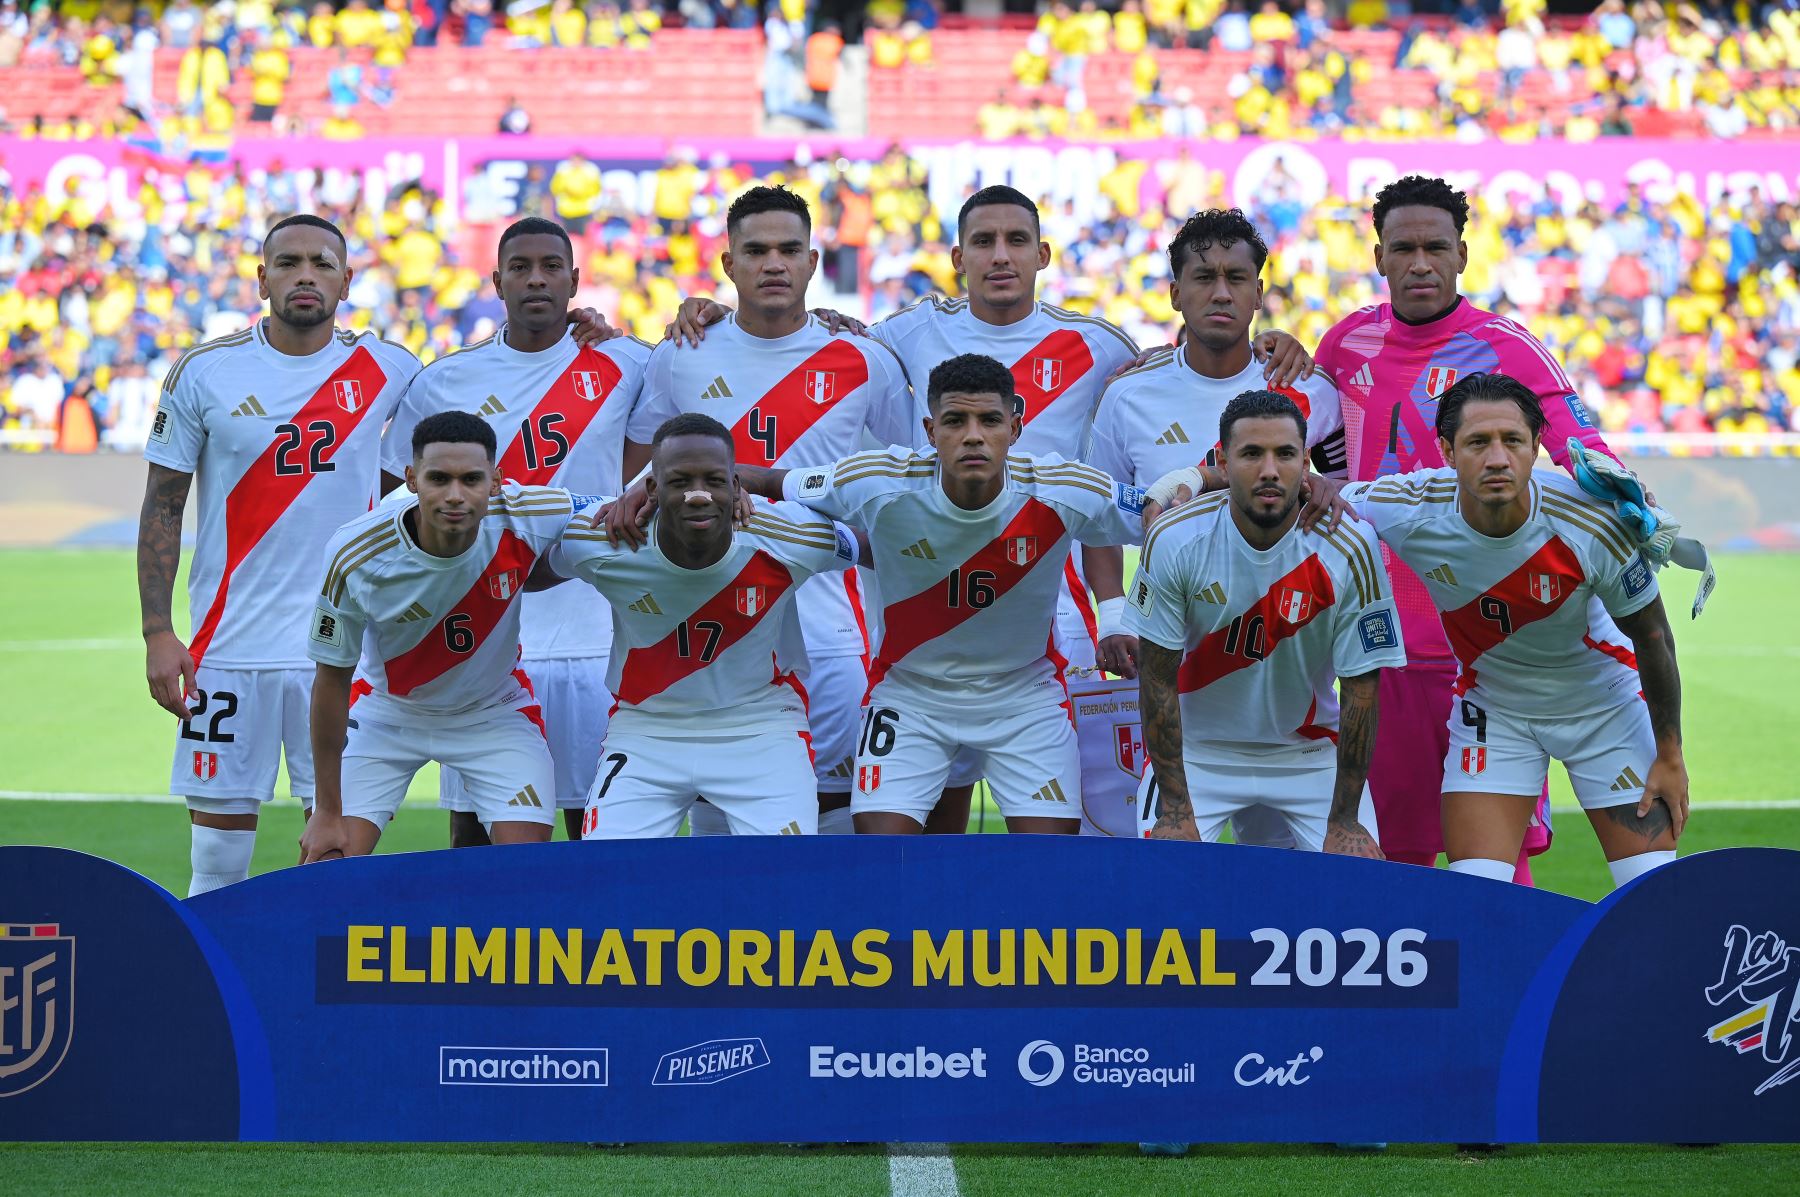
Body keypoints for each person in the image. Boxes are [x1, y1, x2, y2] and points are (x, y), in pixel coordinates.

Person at [1309, 174, 1628, 881]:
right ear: (1379, 255)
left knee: (1492, 848)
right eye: (1404, 248)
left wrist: (1622, 490)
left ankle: (1504, 987)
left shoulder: (1506, 346)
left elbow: (1582, 442)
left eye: (1434, 247)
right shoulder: (1344, 344)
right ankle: (1403, 986)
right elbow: (1308, 447)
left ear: (1461, 255)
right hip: (1377, 632)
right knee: (1395, 846)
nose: (1419, 262)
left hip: (1486, 640)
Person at [738, 354, 1158, 835]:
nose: (973, 435)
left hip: (1024, 696)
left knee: (1047, 865)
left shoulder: (1060, 487)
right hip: (912, 695)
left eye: (990, 420)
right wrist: (695, 484)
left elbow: (1165, 512)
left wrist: (1210, 481)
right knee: (884, 857)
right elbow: (774, 481)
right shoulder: (877, 481)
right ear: (930, 430)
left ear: (1016, 428)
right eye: (955, 421)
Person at [614, 185, 913, 835]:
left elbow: (904, 498)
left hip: (834, 633)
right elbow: (637, 483)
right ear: (728, 265)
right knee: (716, 837)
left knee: (831, 826)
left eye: (788, 249)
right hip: (705, 635)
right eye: (755, 250)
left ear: (813, 262)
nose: (773, 263)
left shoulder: (866, 361)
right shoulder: (680, 354)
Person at [138, 214, 421, 896]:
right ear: (262, 277)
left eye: (322, 263)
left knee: (336, 855)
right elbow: (163, 507)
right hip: (227, 647)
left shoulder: (389, 369)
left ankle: (317, 1000)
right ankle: (208, 996)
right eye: (288, 261)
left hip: (342, 650)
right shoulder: (206, 371)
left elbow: (484, 392)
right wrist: (156, 631)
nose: (305, 274)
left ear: (346, 280)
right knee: (216, 858)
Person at [1337, 372, 1687, 887]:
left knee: (1653, 897)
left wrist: (1670, 755)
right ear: (1447, 451)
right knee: (1479, 900)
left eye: (1513, 441)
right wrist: (1186, 486)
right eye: (1478, 442)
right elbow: (1312, 498)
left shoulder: (1592, 522)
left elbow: (1653, 637)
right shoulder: (1408, 506)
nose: (1497, 458)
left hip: (1603, 710)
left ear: (1536, 447)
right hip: (1493, 714)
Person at [380, 216, 650, 846]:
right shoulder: (446, 380)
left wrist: (705, 311)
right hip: (486, 643)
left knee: (597, 832)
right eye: (520, 268)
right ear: (496, 281)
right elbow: (399, 496)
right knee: (478, 840)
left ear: (575, 280)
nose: (536, 279)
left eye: (551, 267)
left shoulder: (629, 362)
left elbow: (709, 362)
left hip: (596, 634)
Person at [548, 414, 864, 838]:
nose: (698, 496)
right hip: (646, 729)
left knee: (782, 881)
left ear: (736, 486)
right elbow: (525, 574)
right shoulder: (603, 542)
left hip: (760, 728)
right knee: (611, 880)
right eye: (680, 482)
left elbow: (881, 547)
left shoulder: (789, 536)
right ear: (653, 489)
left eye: (714, 480)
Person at [1129, 389, 1401, 853]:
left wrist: (1346, 819)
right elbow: (1157, 680)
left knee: (1362, 895)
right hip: (1198, 754)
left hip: (1309, 754)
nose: (1270, 470)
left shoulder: (1350, 545)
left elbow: (1361, 688)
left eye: (1286, 454)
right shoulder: (1175, 538)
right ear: (1222, 460)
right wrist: (1175, 808)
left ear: (1305, 462)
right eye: (1252, 453)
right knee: (1162, 890)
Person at [299, 412, 579, 861]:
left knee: (528, 872)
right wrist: (327, 809)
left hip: (493, 713)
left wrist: (652, 492)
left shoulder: (528, 511)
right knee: (327, 867)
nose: (455, 496)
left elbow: (617, 509)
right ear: (411, 479)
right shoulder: (356, 552)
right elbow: (330, 681)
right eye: (438, 478)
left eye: (471, 479)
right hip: (386, 713)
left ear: (497, 481)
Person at [1088, 208, 1348, 686]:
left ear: (1259, 294)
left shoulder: (1312, 392)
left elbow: (1347, 498)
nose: (1222, 292)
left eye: (1237, 278)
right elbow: (1099, 517)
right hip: (1168, 649)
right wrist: (1112, 618)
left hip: (1287, 647)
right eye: (1204, 277)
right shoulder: (1127, 395)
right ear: (1175, 294)